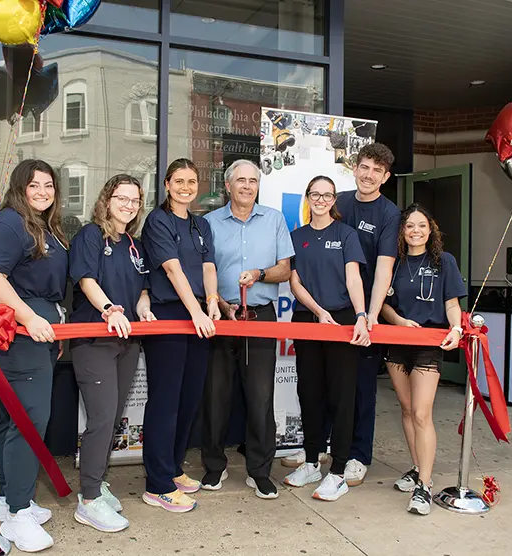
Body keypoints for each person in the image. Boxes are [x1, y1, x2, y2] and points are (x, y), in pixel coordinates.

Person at [0, 159, 68, 553]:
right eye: (35, 185)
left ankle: (7, 499)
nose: (43, 192)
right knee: (29, 420)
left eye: (49, 185)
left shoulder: (42, 225)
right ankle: (17, 515)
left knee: (14, 417)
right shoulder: (9, 222)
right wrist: (29, 317)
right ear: (20, 187)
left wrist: (51, 321)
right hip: (20, 332)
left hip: (42, 330)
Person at [200, 159, 295, 499]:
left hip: (260, 316)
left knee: (260, 397)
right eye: (240, 180)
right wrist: (218, 303)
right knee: (215, 396)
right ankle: (214, 466)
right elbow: (202, 269)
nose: (247, 186)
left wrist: (259, 273)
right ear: (227, 185)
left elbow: (285, 270)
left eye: (253, 181)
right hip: (219, 316)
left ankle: (259, 470)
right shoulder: (208, 223)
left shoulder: (274, 220)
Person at [69, 175, 156, 532]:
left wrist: (144, 306)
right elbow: (87, 280)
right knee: (102, 419)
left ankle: (98, 481)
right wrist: (110, 309)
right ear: (107, 199)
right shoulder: (91, 235)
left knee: (114, 417)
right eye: (122, 198)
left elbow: (143, 288)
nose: (129, 205)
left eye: (135, 200)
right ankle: (88, 499)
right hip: (95, 340)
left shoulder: (134, 245)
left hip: (128, 341)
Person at [140, 158, 220, 513]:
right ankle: (156, 484)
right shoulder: (157, 221)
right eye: (179, 181)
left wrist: (213, 302)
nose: (186, 187)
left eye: (192, 181)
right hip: (172, 314)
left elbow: (208, 266)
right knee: (165, 401)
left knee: (188, 399)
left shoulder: (201, 224)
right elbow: (172, 269)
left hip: (199, 315)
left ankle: (172, 469)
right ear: (167, 184)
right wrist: (196, 311)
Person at [286, 175, 371, 501]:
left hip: (343, 321)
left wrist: (361, 315)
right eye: (315, 194)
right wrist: (318, 311)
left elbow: (353, 279)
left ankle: (337, 473)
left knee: (341, 396)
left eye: (327, 195)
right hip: (308, 319)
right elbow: (295, 283)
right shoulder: (297, 236)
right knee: (309, 393)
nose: (321, 199)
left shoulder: (346, 234)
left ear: (334, 200)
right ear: (307, 198)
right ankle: (311, 461)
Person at [320, 142, 400, 486]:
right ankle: (322, 445)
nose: (368, 175)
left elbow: (384, 269)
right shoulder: (340, 202)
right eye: (364, 167)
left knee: (362, 386)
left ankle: (358, 454)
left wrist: (370, 314)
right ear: (355, 168)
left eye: (377, 170)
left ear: (386, 176)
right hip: (332, 309)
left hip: (364, 313)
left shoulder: (389, 214)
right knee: (327, 382)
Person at [380, 204, 466, 515]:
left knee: (420, 412)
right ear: (401, 232)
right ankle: (417, 467)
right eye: (409, 226)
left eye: (422, 226)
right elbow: (384, 306)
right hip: (397, 343)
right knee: (405, 408)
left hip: (429, 345)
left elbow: (452, 303)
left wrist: (456, 328)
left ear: (431, 230)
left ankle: (424, 486)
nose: (416, 231)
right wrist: (400, 322)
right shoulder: (394, 263)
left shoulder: (445, 262)